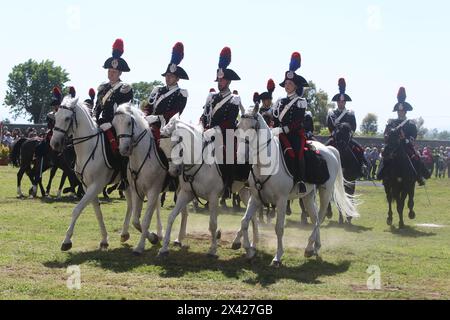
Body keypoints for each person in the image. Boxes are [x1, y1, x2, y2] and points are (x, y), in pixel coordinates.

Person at [200, 47, 242, 198]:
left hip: (226, 134)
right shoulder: (211, 97)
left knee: (227, 152)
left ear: (228, 81)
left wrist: (214, 130)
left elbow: (230, 122)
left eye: (222, 80)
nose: (220, 82)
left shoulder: (234, 99)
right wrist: (202, 125)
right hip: (208, 132)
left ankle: (227, 186)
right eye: (218, 79)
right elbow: (205, 115)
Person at [94, 38, 133, 189]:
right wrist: (94, 118)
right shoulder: (102, 88)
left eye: (114, 72)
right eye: (109, 71)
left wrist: (109, 122)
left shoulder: (125, 88)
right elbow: (97, 107)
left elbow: (123, 109)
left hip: (115, 124)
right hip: (100, 122)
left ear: (120, 72)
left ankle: (124, 177)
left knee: (120, 149)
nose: (111, 74)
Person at [272, 52, 309, 193]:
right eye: (286, 83)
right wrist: (274, 128)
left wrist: (284, 130)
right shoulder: (280, 101)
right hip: (279, 133)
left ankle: (300, 180)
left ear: (295, 86)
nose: (287, 86)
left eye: (290, 83)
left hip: (294, 134)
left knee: (297, 152)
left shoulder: (300, 101)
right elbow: (275, 119)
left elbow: (298, 121)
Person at [377, 87, 430, 185]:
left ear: (405, 111)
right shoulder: (391, 122)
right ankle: (382, 175)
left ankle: (419, 177)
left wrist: (404, 138)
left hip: (406, 146)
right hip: (393, 146)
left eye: (402, 111)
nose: (400, 112)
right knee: (384, 156)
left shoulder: (410, 124)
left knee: (416, 157)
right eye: (398, 111)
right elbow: (386, 134)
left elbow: (413, 137)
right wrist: (387, 137)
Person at [145, 42, 189, 142]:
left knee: (166, 151)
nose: (168, 78)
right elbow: (149, 106)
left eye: (171, 76)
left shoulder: (181, 94)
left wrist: (156, 118)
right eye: (167, 75)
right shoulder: (157, 90)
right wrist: (145, 115)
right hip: (150, 124)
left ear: (178, 79)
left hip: (168, 127)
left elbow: (176, 112)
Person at [326, 78, 368, 174]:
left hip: (347, 139)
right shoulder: (331, 113)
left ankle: (363, 166)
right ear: (337, 102)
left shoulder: (350, 113)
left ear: (345, 102)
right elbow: (329, 125)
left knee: (360, 149)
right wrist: (334, 133)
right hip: (335, 138)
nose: (341, 103)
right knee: (323, 149)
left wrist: (349, 134)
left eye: (343, 102)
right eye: (339, 102)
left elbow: (353, 126)